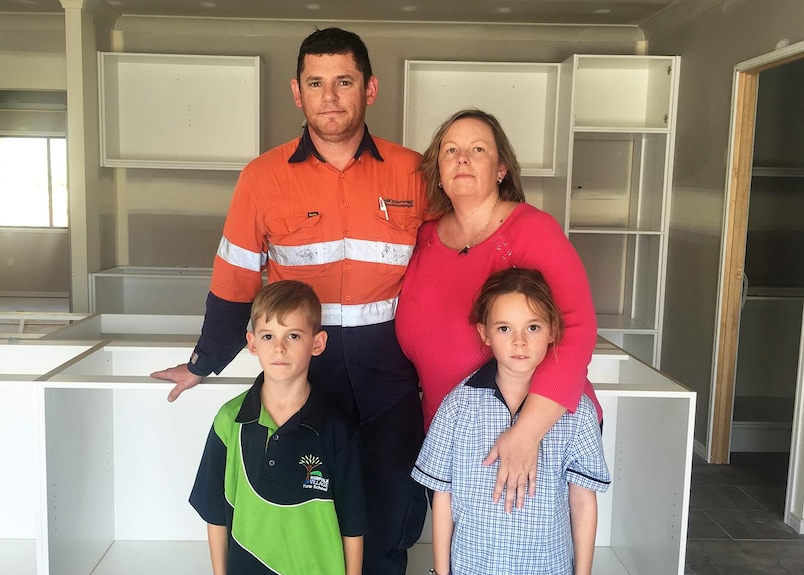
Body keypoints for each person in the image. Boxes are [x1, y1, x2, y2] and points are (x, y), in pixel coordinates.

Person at [152, 28, 428, 574]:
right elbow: (235, 280)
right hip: (303, 373)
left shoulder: (415, 172)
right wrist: (203, 363)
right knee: (305, 512)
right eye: (316, 83)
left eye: (344, 81)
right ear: (296, 92)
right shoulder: (262, 177)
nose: (330, 96)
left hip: (389, 376)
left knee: (392, 504)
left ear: (370, 89)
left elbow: (446, 269)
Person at [395, 108, 602, 512]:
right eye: (450, 150)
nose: (463, 158)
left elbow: (576, 327)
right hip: (454, 432)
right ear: (438, 172)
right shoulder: (423, 238)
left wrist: (527, 433)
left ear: (502, 168)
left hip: (532, 427)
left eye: (478, 149)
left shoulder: (530, 230)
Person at [412, 268, 610, 575]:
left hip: (548, 567)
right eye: (504, 329)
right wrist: (441, 572)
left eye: (532, 327)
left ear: (553, 331)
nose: (519, 342)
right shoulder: (457, 407)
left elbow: (583, 502)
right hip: (472, 566)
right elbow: (442, 497)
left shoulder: (576, 412)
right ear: (484, 334)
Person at [189, 280, 365, 575]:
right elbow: (215, 515)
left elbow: (353, 524)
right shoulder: (228, 422)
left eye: (293, 335)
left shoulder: (337, 427)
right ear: (253, 343)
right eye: (269, 336)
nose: (280, 348)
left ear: (317, 343)